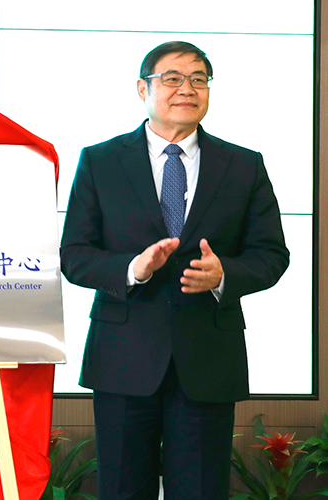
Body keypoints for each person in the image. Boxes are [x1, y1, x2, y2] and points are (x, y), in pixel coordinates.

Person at [60, 41, 289, 499]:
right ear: (142, 88)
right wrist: (133, 268)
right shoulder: (100, 161)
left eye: (198, 79)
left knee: (201, 491)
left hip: (208, 357)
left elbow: (271, 254)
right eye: (173, 79)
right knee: (122, 489)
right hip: (123, 357)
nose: (187, 89)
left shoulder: (244, 165)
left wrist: (223, 276)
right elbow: (75, 254)